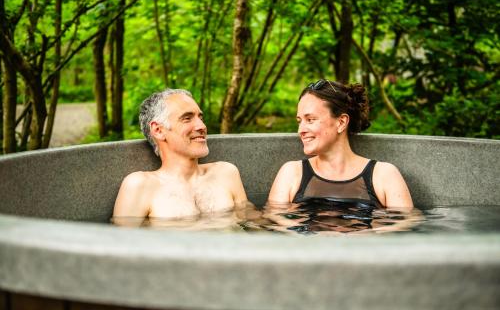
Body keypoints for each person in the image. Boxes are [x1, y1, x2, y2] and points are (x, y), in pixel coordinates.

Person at [268, 79, 413, 208]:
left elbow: (404, 231)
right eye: (299, 121)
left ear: (341, 122)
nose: (301, 130)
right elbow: (274, 229)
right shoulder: (291, 173)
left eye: (310, 119)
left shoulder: (384, 175)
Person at [113, 89, 248, 222]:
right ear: (158, 130)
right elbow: (122, 242)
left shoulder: (225, 173)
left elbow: (251, 226)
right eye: (187, 118)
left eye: (200, 117)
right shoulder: (140, 185)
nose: (202, 126)